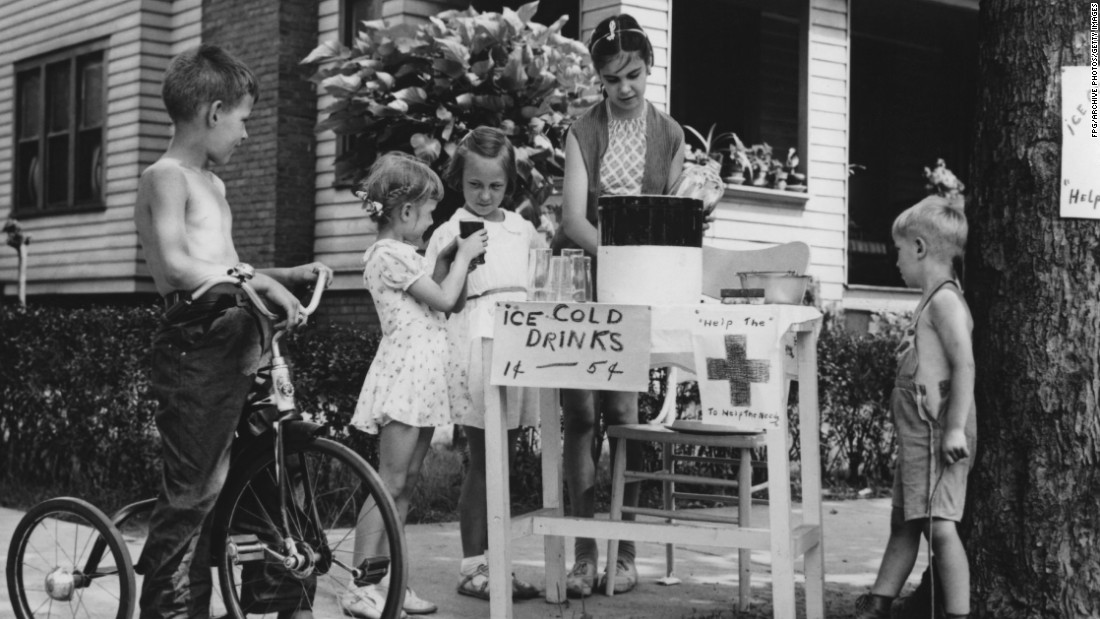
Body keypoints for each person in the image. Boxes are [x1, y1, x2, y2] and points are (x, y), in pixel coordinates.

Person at [133, 43, 333, 619]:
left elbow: (226, 269)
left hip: (244, 334)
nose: (246, 134)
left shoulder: (214, 187)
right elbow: (176, 266)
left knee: (270, 471)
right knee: (196, 490)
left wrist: (281, 275)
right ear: (214, 112)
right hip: (196, 342)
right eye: (244, 118)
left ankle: (280, 599)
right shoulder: (165, 177)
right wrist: (253, 280)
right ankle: (172, 610)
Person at [550, 13, 685, 597]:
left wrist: (699, 205)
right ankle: (584, 555)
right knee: (580, 418)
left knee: (624, 420)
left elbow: (676, 215)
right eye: (611, 79)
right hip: (582, 280)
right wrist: (620, 255)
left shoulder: (672, 134)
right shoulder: (582, 131)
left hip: (635, 292)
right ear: (599, 81)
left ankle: (624, 553)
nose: (624, 87)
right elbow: (572, 219)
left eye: (632, 74)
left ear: (650, 67)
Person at [341, 152, 488, 618]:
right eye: (427, 213)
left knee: (404, 487)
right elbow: (444, 297)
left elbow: (448, 304)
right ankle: (361, 586)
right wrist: (460, 257)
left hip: (422, 380)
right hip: (404, 379)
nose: (431, 221)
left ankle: (390, 578)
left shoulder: (409, 256)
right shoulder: (388, 255)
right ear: (405, 212)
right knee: (388, 482)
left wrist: (450, 260)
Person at [423, 127, 545, 602]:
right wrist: (454, 262)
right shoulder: (449, 230)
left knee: (506, 460)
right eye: (475, 185)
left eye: (495, 186)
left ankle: (495, 564)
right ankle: (475, 565)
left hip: (520, 342)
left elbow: (540, 281)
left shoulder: (522, 229)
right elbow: (436, 296)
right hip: (478, 342)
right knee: (485, 459)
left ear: (509, 185)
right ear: (460, 181)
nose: (485, 195)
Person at [855, 195, 977, 619]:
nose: (896, 262)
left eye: (899, 251)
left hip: (938, 432)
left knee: (940, 528)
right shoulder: (931, 301)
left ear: (921, 248)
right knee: (905, 522)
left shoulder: (945, 301)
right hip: (917, 436)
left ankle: (958, 615)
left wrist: (956, 428)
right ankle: (878, 604)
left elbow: (964, 364)